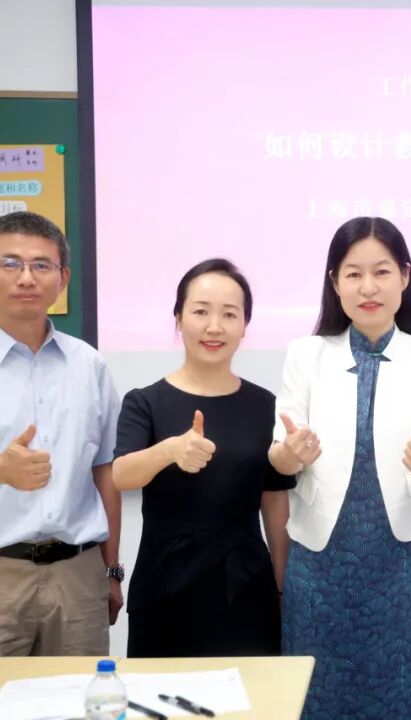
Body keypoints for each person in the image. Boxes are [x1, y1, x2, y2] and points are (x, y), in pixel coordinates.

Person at [268, 217, 411, 719]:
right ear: (335, 282)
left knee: (399, 693)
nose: (368, 287)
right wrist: (291, 455)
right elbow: (279, 456)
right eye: (353, 274)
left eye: (382, 272)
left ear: (405, 276)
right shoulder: (305, 355)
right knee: (315, 697)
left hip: (403, 562)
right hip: (320, 560)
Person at [0, 210, 123, 657]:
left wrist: (112, 570)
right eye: (10, 263)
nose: (26, 278)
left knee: (80, 693)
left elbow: (105, 471)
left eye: (41, 265)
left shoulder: (89, 365)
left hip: (78, 575)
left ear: (63, 278)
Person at [112, 258, 293, 657]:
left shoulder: (264, 405)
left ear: (244, 326)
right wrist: (170, 450)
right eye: (200, 312)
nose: (214, 327)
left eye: (229, 314)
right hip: (164, 587)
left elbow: (274, 500)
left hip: (245, 586)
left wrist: (283, 583)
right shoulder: (145, 402)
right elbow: (121, 475)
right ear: (178, 319)